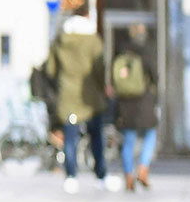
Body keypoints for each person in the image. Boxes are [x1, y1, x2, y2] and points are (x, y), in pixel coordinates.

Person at [42, 13, 107, 192]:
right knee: (96, 138)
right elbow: (101, 68)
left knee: (70, 139)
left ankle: (71, 176)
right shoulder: (93, 41)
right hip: (91, 99)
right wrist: (101, 88)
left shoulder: (60, 41)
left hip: (68, 99)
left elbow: (50, 69)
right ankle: (101, 175)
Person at [112, 25, 160, 189]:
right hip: (144, 100)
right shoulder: (146, 52)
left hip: (125, 102)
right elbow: (155, 77)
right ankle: (143, 169)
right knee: (151, 134)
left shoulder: (120, 53)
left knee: (128, 140)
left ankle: (128, 176)